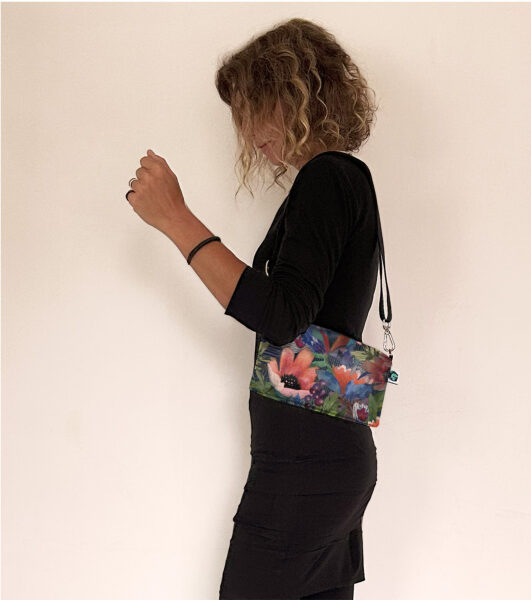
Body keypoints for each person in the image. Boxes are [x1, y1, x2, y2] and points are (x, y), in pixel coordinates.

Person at [127, 17, 383, 600]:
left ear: (293, 95)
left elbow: (282, 316)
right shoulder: (342, 182)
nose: (246, 129)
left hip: (305, 467)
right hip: (328, 456)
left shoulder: (328, 177)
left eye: (251, 106)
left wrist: (176, 219)